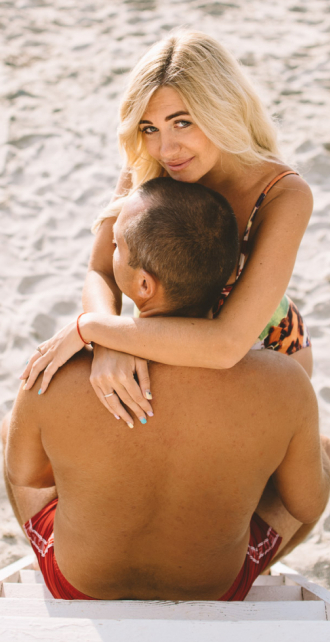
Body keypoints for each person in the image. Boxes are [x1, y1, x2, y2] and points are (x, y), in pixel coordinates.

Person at [4, 178, 330, 601]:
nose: (109, 252)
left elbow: (27, 476)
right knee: (325, 453)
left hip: (80, 583)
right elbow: (306, 506)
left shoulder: (59, 369)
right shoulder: (285, 381)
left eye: (117, 247)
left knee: (11, 430)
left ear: (143, 285)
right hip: (213, 588)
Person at [21, 30, 314, 429]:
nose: (166, 149)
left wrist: (95, 329)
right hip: (165, 334)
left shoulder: (283, 194)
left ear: (222, 110)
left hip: (263, 351)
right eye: (148, 127)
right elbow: (102, 269)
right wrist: (110, 344)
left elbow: (227, 344)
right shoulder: (147, 163)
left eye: (182, 122)